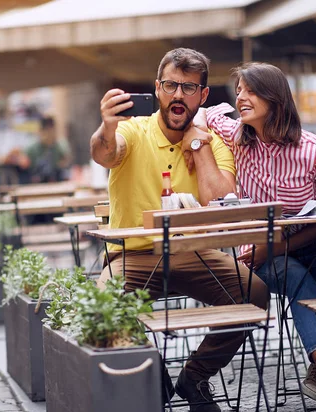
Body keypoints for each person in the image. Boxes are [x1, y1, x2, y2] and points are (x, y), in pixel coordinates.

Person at [90, 48, 268, 412]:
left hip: (195, 254)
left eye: (188, 88)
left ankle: (195, 377)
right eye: (170, 85)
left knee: (254, 292)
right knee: (105, 304)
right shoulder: (132, 130)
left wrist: (199, 143)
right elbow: (105, 153)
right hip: (134, 255)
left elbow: (222, 203)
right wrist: (106, 126)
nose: (177, 95)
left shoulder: (214, 142)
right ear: (157, 89)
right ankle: (152, 375)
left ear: (203, 96)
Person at [197, 62, 316, 412]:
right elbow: (207, 113)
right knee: (293, 274)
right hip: (260, 258)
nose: (241, 96)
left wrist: (278, 244)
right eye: (239, 90)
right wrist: (199, 130)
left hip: (310, 246)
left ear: (275, 98)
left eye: (250, 90)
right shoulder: (238, 138)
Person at [17, 116, 71, 183]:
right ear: (41, 132)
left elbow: (65, 161)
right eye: (47, 131)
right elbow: (23, 161)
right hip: (35, 181)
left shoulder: (59, 145)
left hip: (54, 180)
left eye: (53, 131)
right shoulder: (32, 147)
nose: (51, 134)